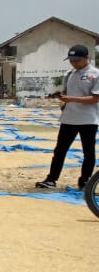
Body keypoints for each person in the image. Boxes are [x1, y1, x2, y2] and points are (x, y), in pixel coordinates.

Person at [35, 44, 99, 190]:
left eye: (77, 60)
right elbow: (66, 92)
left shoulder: (95, 74)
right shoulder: (69, 74)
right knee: (60, 150)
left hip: (88, 119)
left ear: (86, 58)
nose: (74, 63)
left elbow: (95, 98)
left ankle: (85, 182)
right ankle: (51, 179)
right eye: (71, 60)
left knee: (88, 152)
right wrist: (61, 97)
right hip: (68, 119)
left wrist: (71, 99)